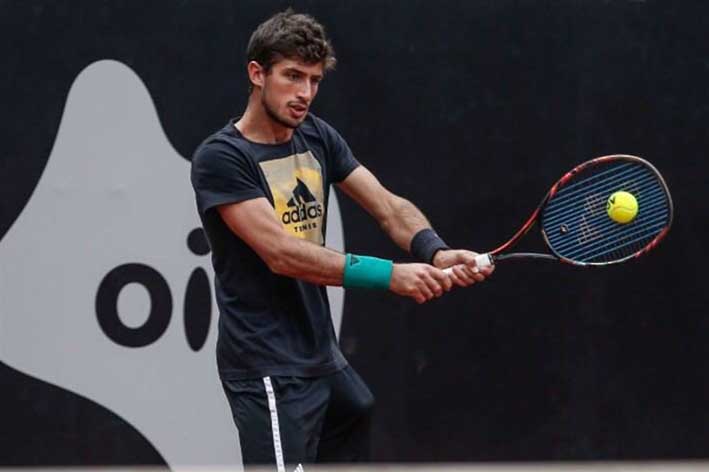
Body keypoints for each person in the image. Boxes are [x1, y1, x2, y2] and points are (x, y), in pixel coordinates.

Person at [190, 9, 494, 470]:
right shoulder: (221, 158)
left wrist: (435, 249)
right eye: (292, 76)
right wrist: (389, 275)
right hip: (266, 364)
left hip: (319, 355)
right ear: (257, 73)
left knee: (355, 412)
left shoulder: (316, 135)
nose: (304, 94)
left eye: (313, 80)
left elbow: (389, 207)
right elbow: (281, 253)